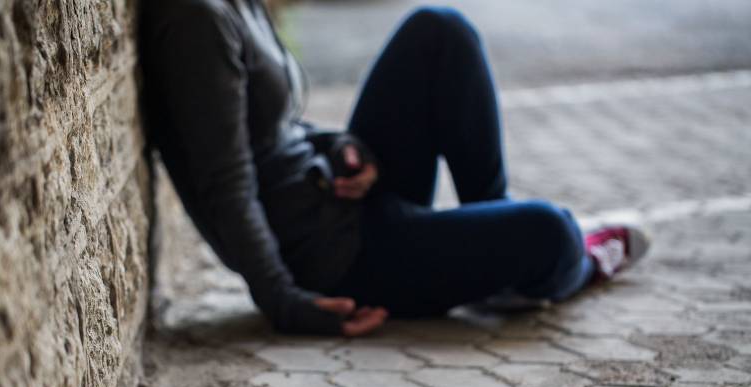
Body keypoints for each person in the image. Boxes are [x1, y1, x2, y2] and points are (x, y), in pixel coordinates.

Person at [139, 0, 650, 337]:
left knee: (440, 30)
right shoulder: (195, 21)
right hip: (338, 259)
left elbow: (276, 129)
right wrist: (285, 302)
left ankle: (495, 242)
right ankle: (579, 262)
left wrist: (343, 147)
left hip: (342, 193)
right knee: (550, 232)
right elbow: (225, 183)